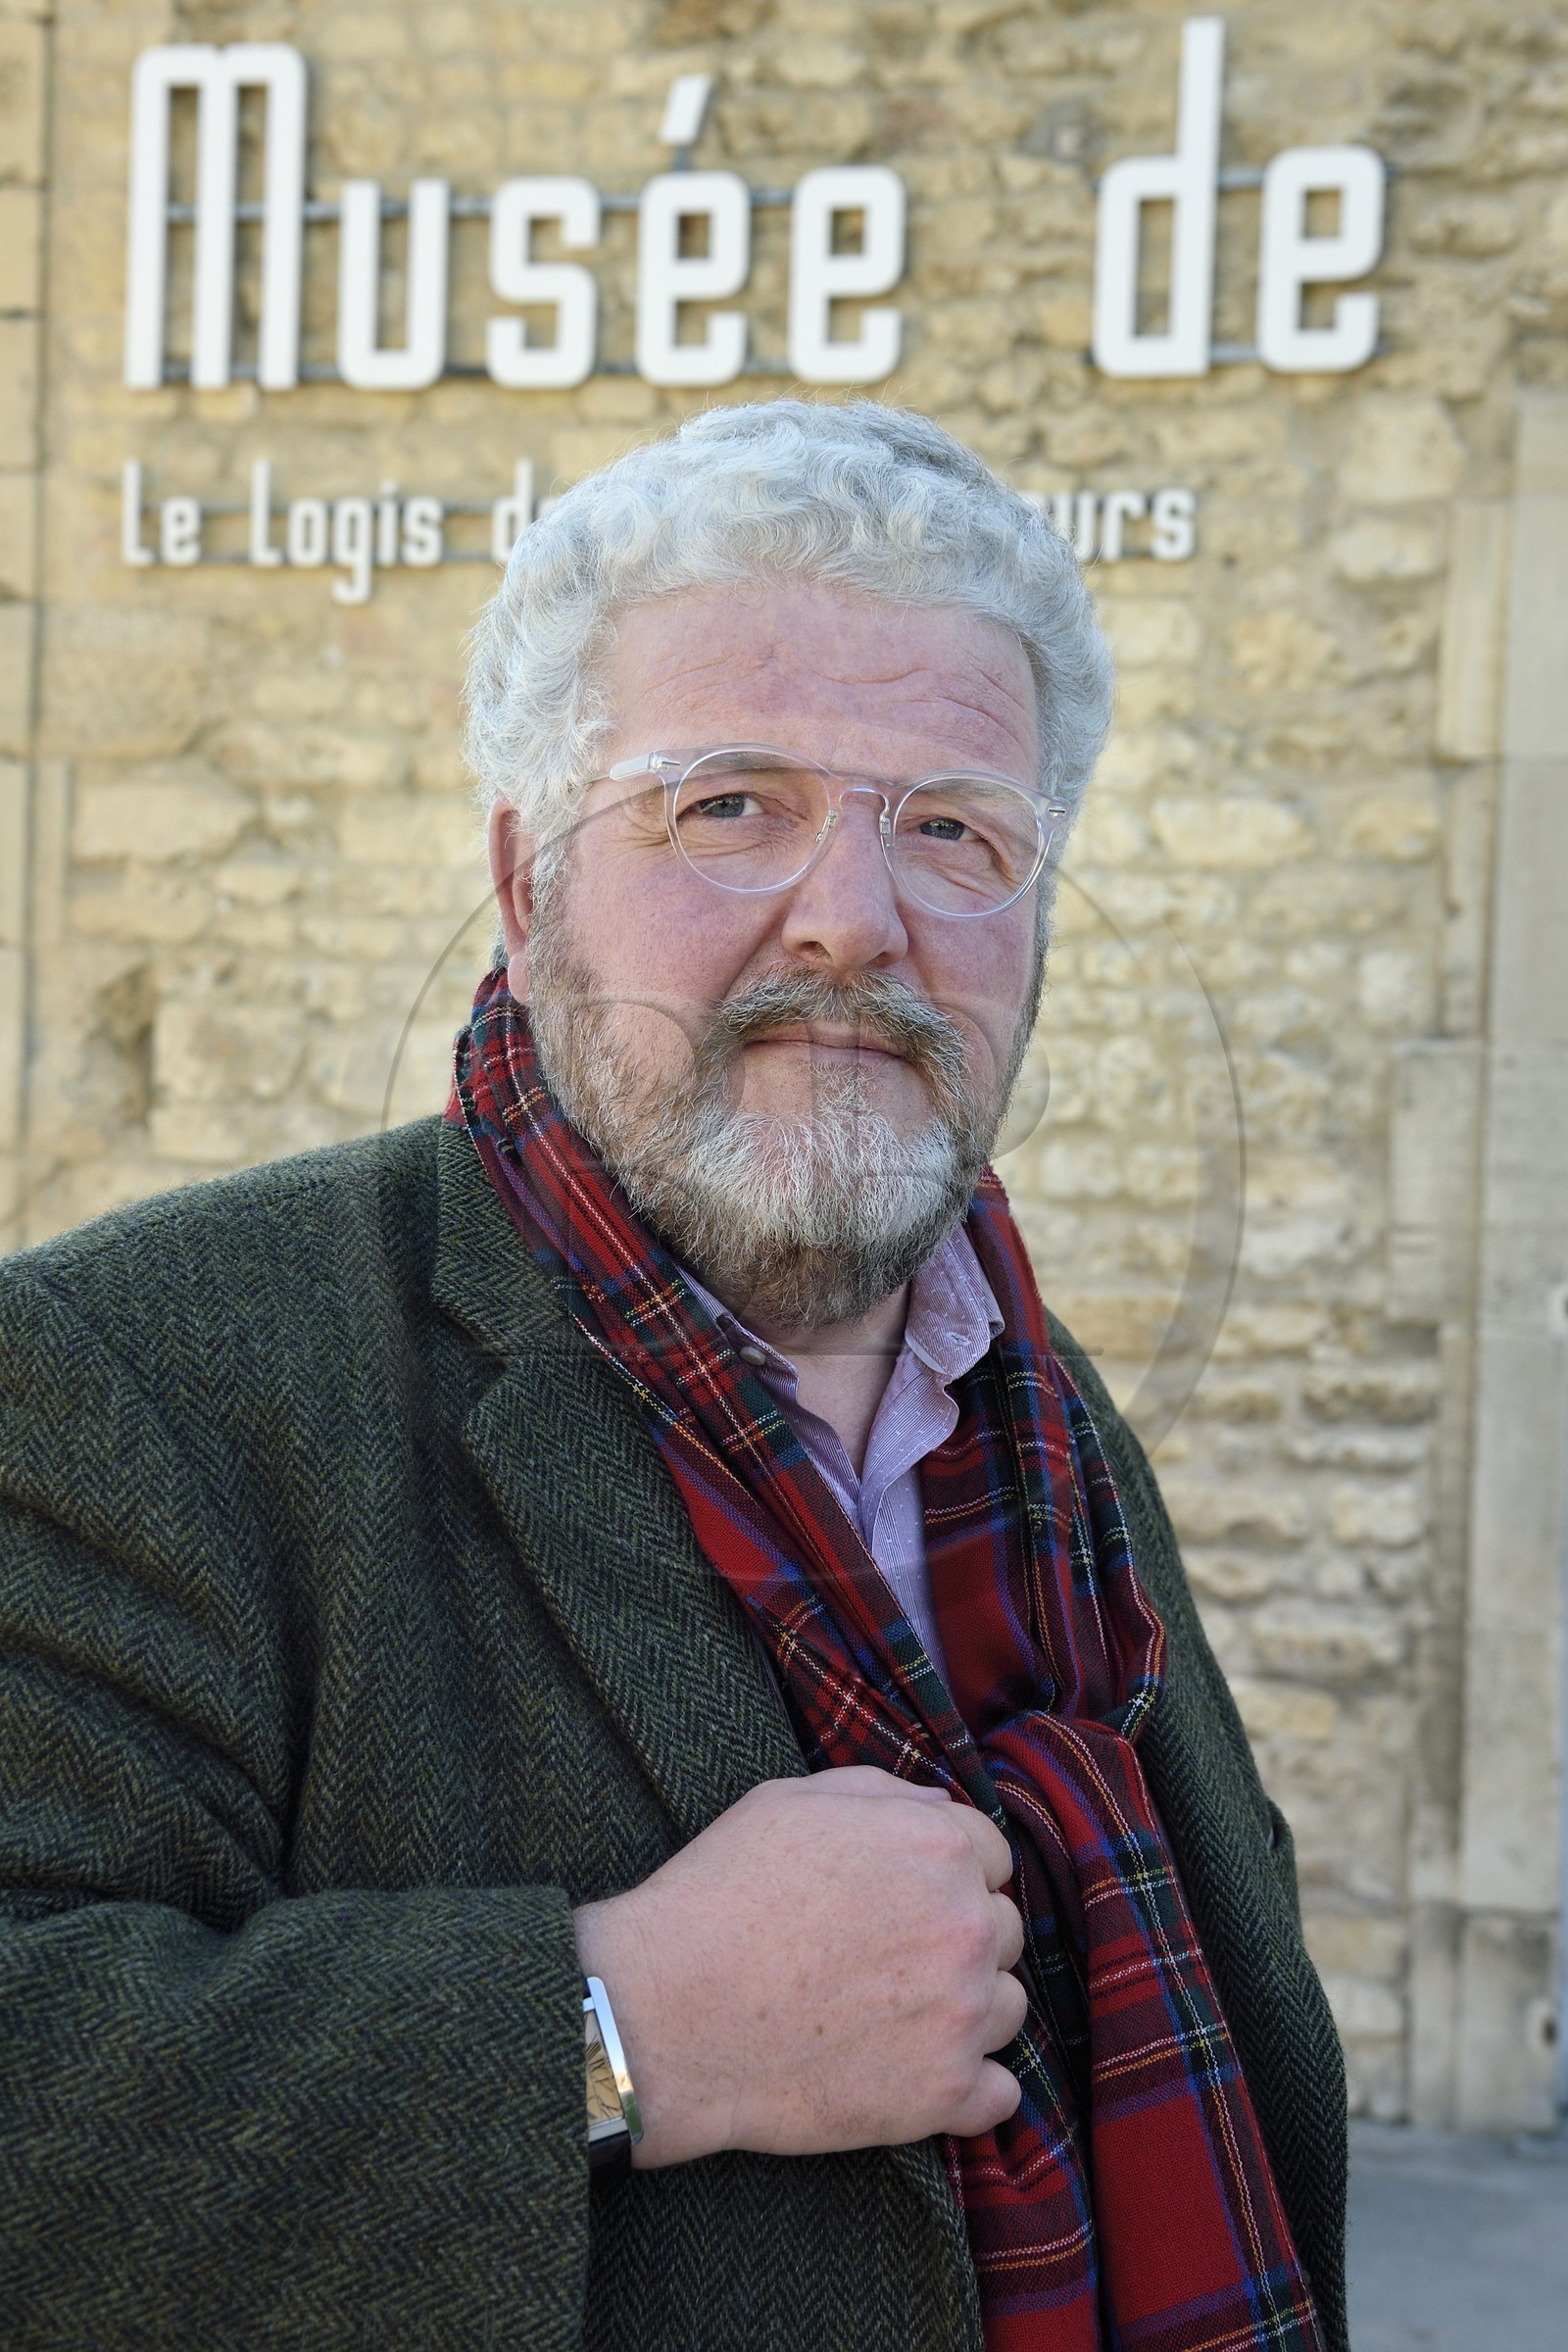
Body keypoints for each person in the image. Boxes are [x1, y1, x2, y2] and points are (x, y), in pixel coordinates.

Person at [0, 403, 1346, 2352]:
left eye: (953, 831)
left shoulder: (1042, 1423)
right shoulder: (138, 1379)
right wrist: (621, 2026)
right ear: (524, 883)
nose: (852, 919)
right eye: (729, 804)